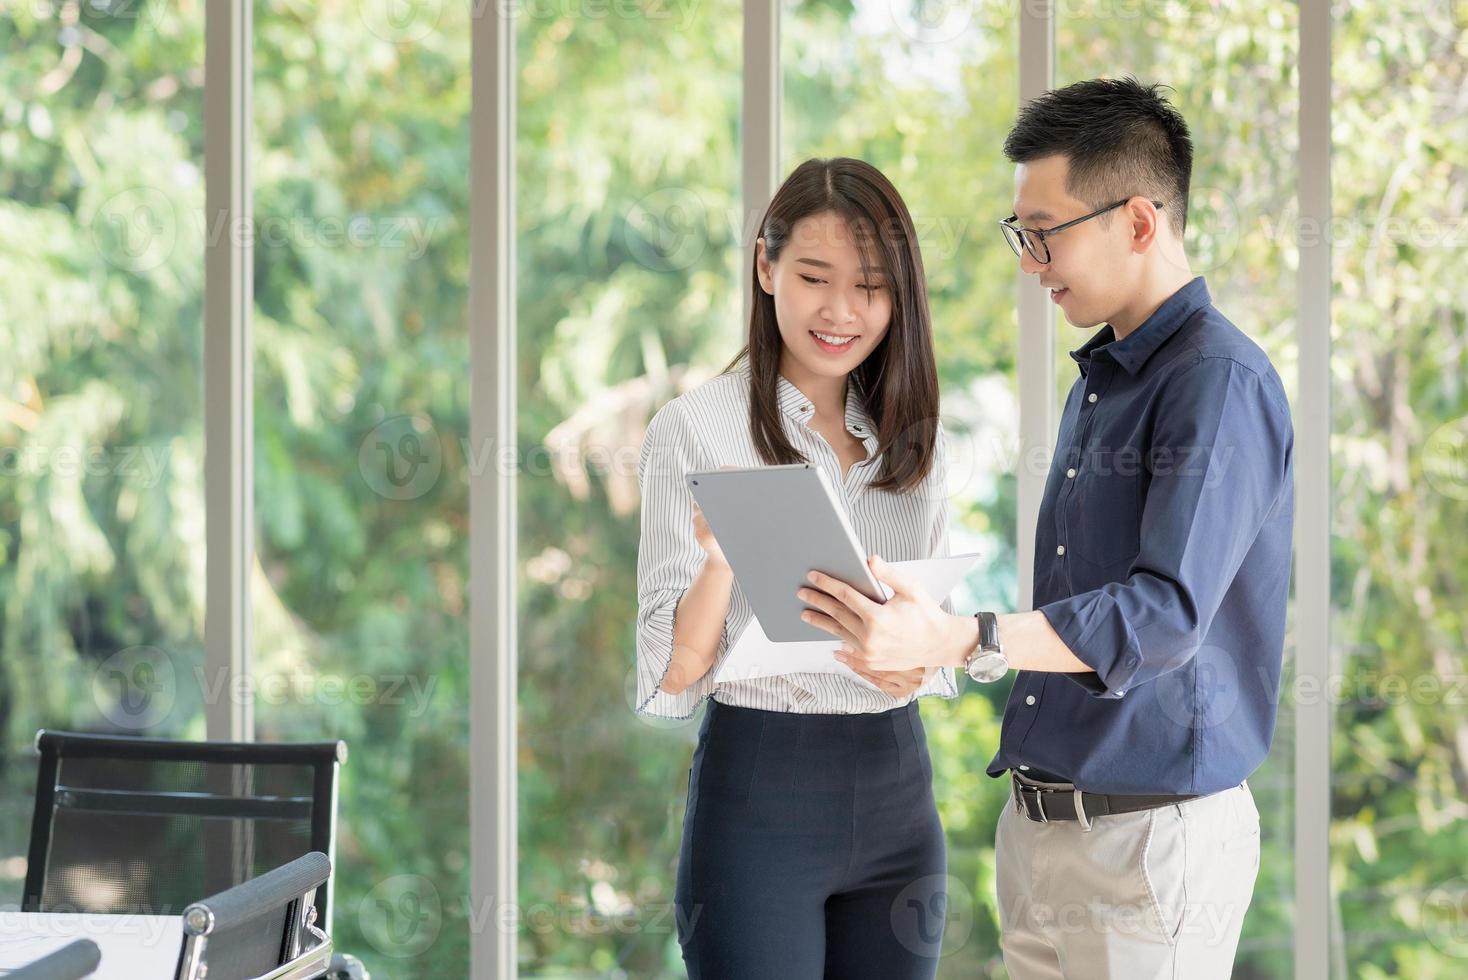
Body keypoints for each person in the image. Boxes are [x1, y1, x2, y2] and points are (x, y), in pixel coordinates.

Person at [806, 78, 1295, 979]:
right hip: (1041, 833)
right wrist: (947, 642)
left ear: (1139, 222)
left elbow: (1161, 615)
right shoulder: (1102, 380)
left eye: (1045, 232)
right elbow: (1079, 613)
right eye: (1019, 234)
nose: (1030, 262)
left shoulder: (1217, 382)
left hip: (1149, 848)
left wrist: (964, 635)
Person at [634, 157, 960, 978]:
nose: (842, 311)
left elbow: (925, 648)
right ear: (766, 266)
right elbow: (671, 677)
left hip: (897, 789)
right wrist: (720, 562)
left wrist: (911, 664)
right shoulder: (695, 427)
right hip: (760, 796)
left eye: (872, 286)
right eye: (815, 277)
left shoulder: (917, 439)